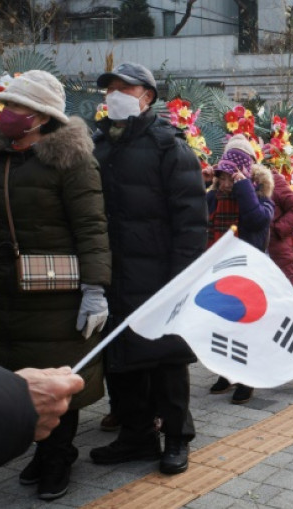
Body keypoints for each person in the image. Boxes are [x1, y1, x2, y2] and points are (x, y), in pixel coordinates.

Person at [0, 70, 111, 501]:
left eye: (16, 107)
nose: (7, 115)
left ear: (40, 116)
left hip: (57, 295)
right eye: (5, 106)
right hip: (4, 292)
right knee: (17, 378)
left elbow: (92, 228)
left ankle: (58, 456)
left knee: (58, 376)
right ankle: (41, 449)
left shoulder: (73, 160)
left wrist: (95, 288)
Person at [90, 63, 207, 476]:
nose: (114, 95)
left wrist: (182, 279)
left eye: (124, 88)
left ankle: (176, 436)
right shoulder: (100, 144)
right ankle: (136, 435)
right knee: (120, 358)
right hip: (114, 273)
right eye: (110, 89)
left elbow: (191, 221)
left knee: (166, 360)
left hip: (160, 276)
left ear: (147, 97)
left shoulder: (169, 146)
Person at [205, 135, 274, 404]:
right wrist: (201, 181)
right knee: (221, 325)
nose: (223, 183)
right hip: (219, 269)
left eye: (229, 177)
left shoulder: (261, 197)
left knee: (246, 327)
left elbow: (257, 221)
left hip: (248, 272)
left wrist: (243, 186)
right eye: (221, 176)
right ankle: (226, 372)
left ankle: (248, 377)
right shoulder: (213, 198)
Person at [263, 150, 293, 296]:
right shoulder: (233, 184)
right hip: (254, 258)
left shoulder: (274, 181)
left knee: (288, 303)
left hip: (279, 253)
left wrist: (276, 230)